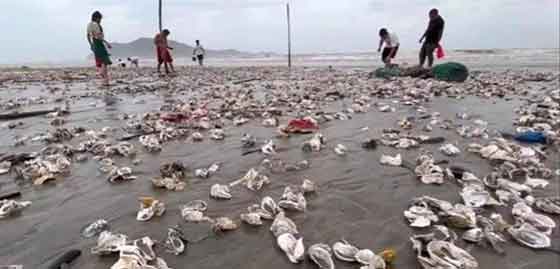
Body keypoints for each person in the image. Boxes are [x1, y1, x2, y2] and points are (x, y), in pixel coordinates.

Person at [87, 11, 112, 86]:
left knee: (100, 63)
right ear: (96, 18)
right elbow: (99, 36)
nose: (100, 20)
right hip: (99, 44)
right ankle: (105, 81)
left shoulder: (89, 25)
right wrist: (107, 43)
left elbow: (88, 36)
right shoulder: (96, 25)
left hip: (94, 44)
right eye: (99, 18)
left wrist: (91, 44)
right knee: (104, 62)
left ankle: (104, 81)